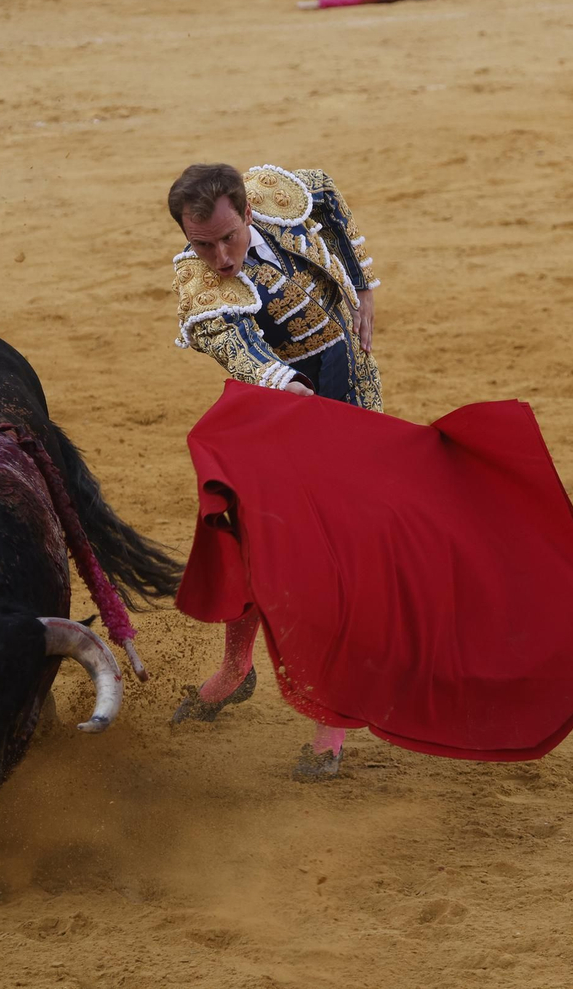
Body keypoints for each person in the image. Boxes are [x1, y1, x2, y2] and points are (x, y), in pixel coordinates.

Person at [166, 162, 385, 780]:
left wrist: (363, 285)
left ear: (248, 213)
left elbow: (325, 188)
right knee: (252, 539)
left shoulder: (276, 193)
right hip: (277, 413)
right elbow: (238, 348)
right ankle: (237, 667)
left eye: (227, 239)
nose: (219, 258)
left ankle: (333, 717)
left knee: (342, 552)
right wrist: (287, 389)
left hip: (349, 386)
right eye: (201, 244)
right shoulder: (199, 284)